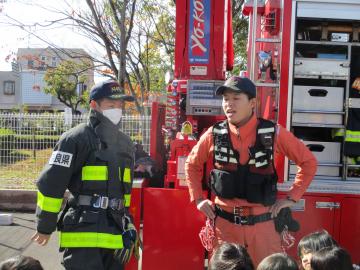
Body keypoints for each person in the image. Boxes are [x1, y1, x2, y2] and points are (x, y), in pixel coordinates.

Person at [185, 76, 317, 265]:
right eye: (225, 99)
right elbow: (191, 164)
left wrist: (291, 197)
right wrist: (198, 198)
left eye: (236, 98)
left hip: (264, 228)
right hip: (225, 228)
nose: (229, 104)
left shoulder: (274, 133)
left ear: (253, 102)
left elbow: (308, 162)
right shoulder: (213, 134)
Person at [31, 80, 140, 270]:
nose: (117, 110)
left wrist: (128, 224)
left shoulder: (126, 144)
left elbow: (125, 193)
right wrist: (45, 225)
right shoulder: (74, 139)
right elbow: (52, 183)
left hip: (115, 236)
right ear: (94, 105)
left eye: (120, 105)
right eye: (111, 105)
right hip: (82, 236)